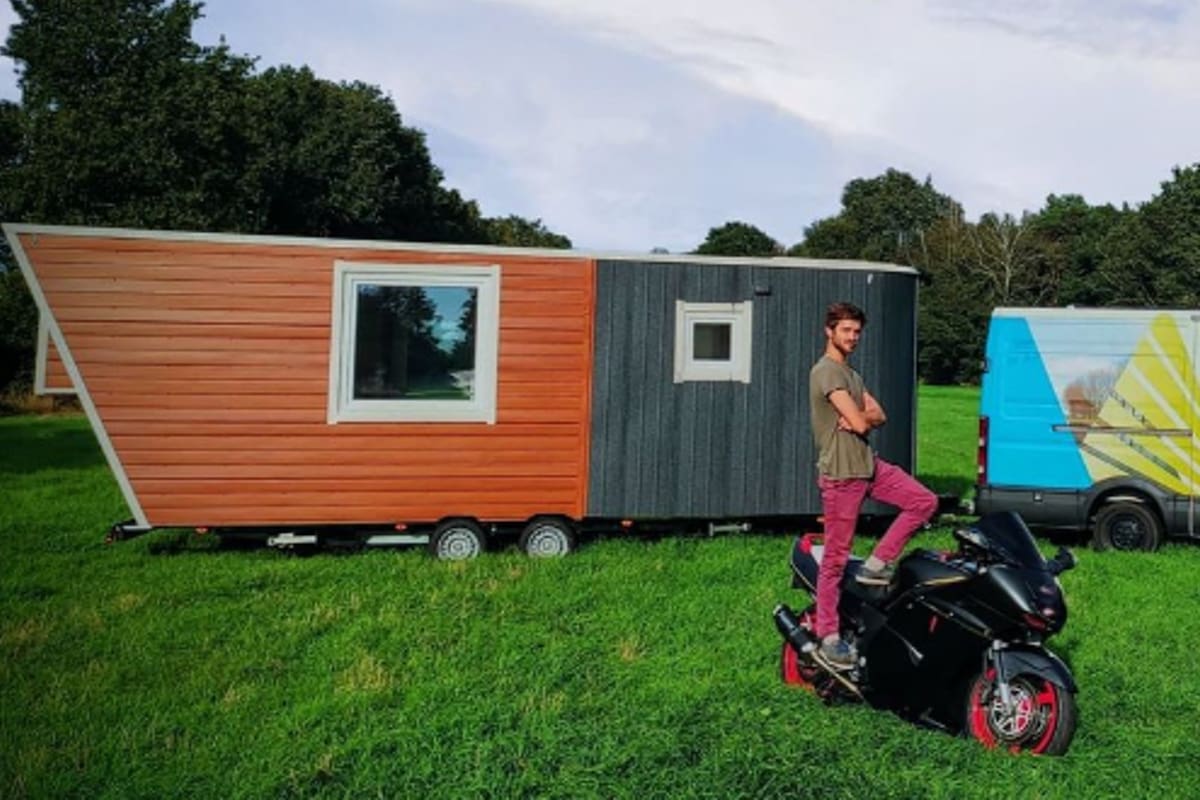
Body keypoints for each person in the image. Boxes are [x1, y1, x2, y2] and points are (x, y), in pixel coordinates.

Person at [808, 301, 938, 669]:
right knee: (835, 559)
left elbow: (878, 415)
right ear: (829, 331)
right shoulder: (826, 372)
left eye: (857, 331)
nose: (853, 337)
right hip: (841, 476)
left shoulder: (851, 374)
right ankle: (828, 636)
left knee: (924, 501)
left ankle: (876, 563)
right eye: (846, 330)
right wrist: (861, 418)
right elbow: (864, 422)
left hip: (869, 465)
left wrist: (860, 416)